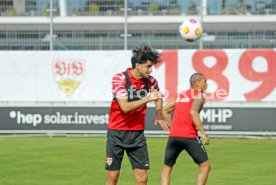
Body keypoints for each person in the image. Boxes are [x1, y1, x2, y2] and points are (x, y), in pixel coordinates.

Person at [105, 44, 170, 185]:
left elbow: (158, 95)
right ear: (137, 65)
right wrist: (148, 98)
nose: (150, 69)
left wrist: (159, 112)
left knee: (142, 178)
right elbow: (125, 107)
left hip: (137, 134)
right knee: (113, 176)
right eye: (148, 66)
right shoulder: (120, 79)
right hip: (116, 133)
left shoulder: (151, 81)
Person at [160, 73, 211, 185]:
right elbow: (193, 112)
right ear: (197, 83)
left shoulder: (181, 95)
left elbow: (165, 110)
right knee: (205, 167)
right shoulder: (199, 96)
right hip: (189, 136)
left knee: (167, 168)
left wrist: (173, 127)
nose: (206, 85)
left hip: (174, 136)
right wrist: (203, 134)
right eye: (204, 82)